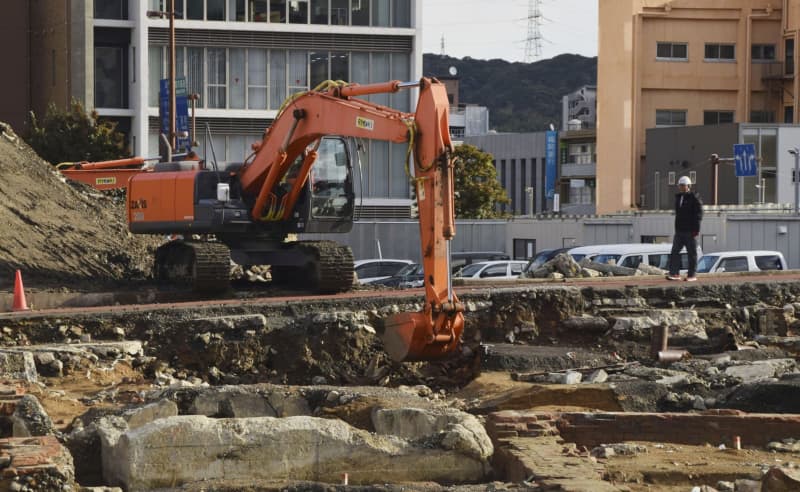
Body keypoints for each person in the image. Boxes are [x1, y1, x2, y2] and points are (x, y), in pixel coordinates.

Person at [667, 175, 703, 281]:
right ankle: (674, 273)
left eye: (683, 185)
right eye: (680, 185)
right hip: (679, 231)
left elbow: (699, 214)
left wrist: (696, 230)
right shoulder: (678, 198)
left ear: (688, 186)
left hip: (690, 231)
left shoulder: (694, 197)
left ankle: (692, 275)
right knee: (674, 251)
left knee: (692, 253)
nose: (681, 187)